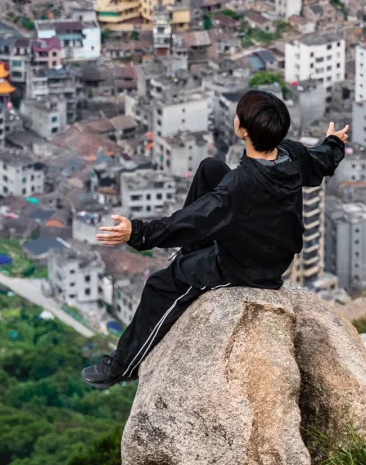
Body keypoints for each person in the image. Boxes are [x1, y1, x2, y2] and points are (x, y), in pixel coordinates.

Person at [82, 89, 349, 388]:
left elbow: (191, 221)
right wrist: (334, 142)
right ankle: (192, 254)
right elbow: (321, 161)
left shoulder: (238, 187)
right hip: (276, 249)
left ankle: (123, 365)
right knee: (210, 168)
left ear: (243, 130)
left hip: (249, 268)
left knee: (161, 284)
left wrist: (138, 232)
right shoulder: (290, 153)